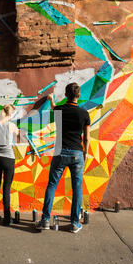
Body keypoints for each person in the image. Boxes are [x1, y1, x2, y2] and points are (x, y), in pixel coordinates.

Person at [36, 83, 90, 233]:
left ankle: (45, 220)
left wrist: (51, 99)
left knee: (52, 185)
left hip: (60, 152)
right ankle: (74, 223)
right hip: (77, 153)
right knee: (77, 188)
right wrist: (85, 154)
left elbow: (53, 107)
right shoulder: (84, 114)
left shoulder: (60, 110)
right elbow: (87, 138)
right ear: (78, 95)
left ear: (66, 95)